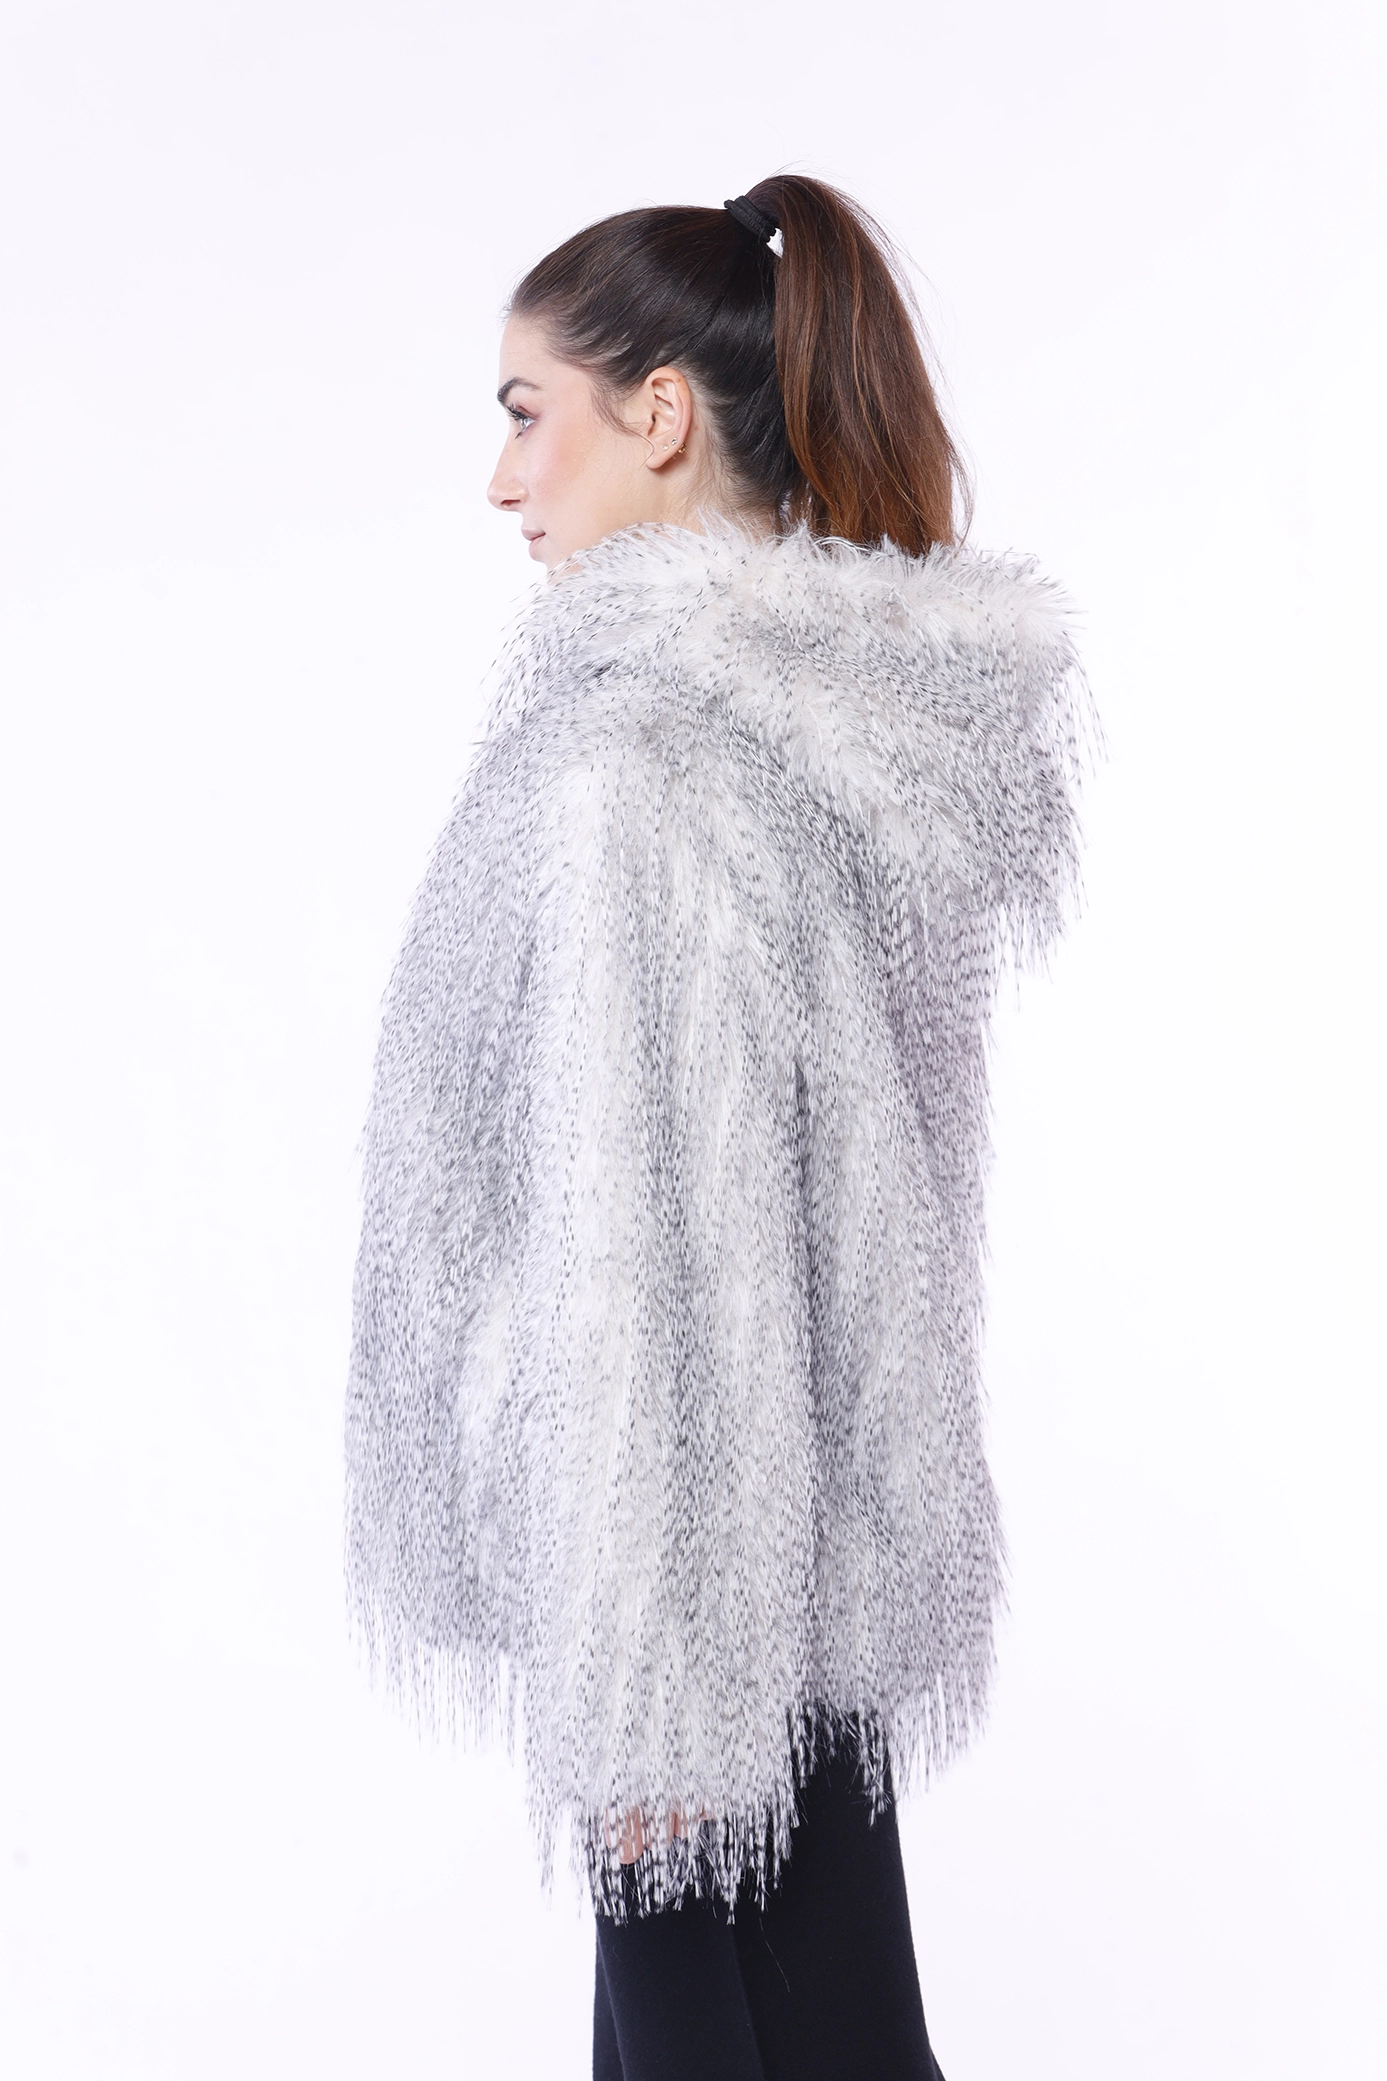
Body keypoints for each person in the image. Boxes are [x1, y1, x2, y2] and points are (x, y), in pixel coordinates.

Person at [344, 175, 1092, 2080]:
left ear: (660, 412)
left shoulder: (637, 767)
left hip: (682, 1625)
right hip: (804, 1604)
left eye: (528, 412)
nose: (501, 482)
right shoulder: (830, 741)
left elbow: (651, 1261)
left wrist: (658, 1693)